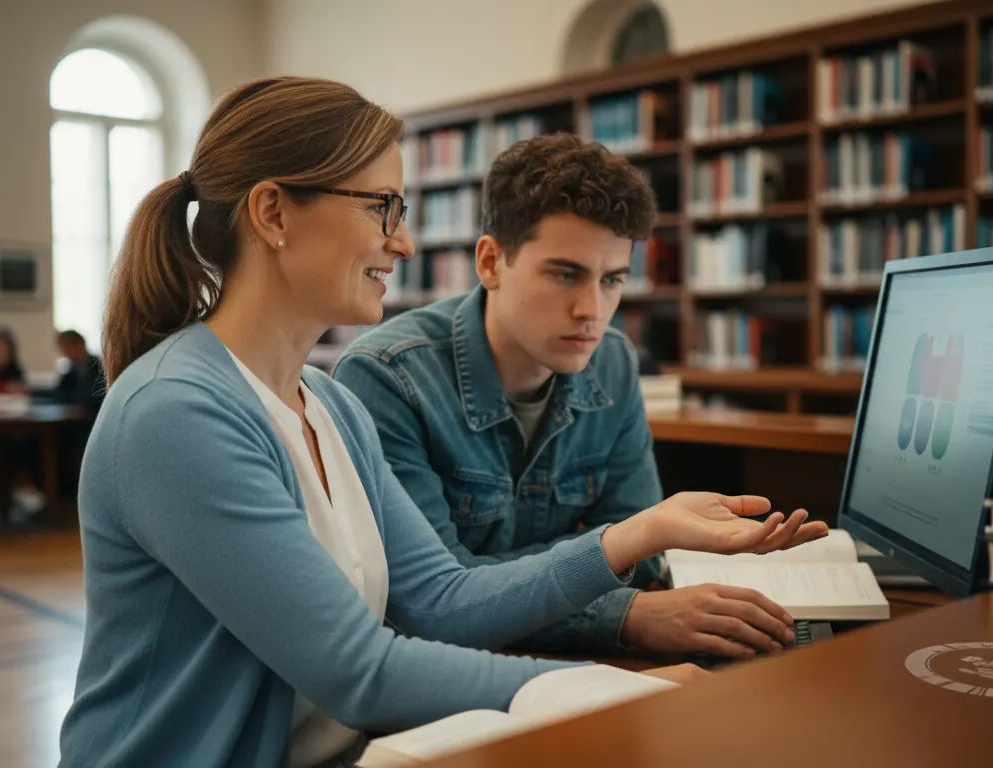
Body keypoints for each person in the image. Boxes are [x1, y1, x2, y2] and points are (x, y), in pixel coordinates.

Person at [58, 76, 826, 768]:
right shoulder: (177, 413)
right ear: (272, 213)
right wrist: (603, 687)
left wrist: (641, 532)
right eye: (381, 207)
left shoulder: (330, 405)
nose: (405, 240)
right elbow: (361, 671)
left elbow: (445, 600)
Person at [332, 133, 809, 659]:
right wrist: (622, 612)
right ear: (490, 262)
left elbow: (645, 554)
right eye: (565, 274)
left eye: (612, 280)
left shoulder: (615, 362)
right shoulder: (386, 378)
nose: (592, 309)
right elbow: (432, 604)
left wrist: (521, 580)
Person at [53, 329, 106, 417]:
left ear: (80, 344)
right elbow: (58, 394)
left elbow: (95, 397)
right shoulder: (71, 372)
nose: (65, 352)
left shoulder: (99, 367)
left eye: (67, 346)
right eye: (62, 348)